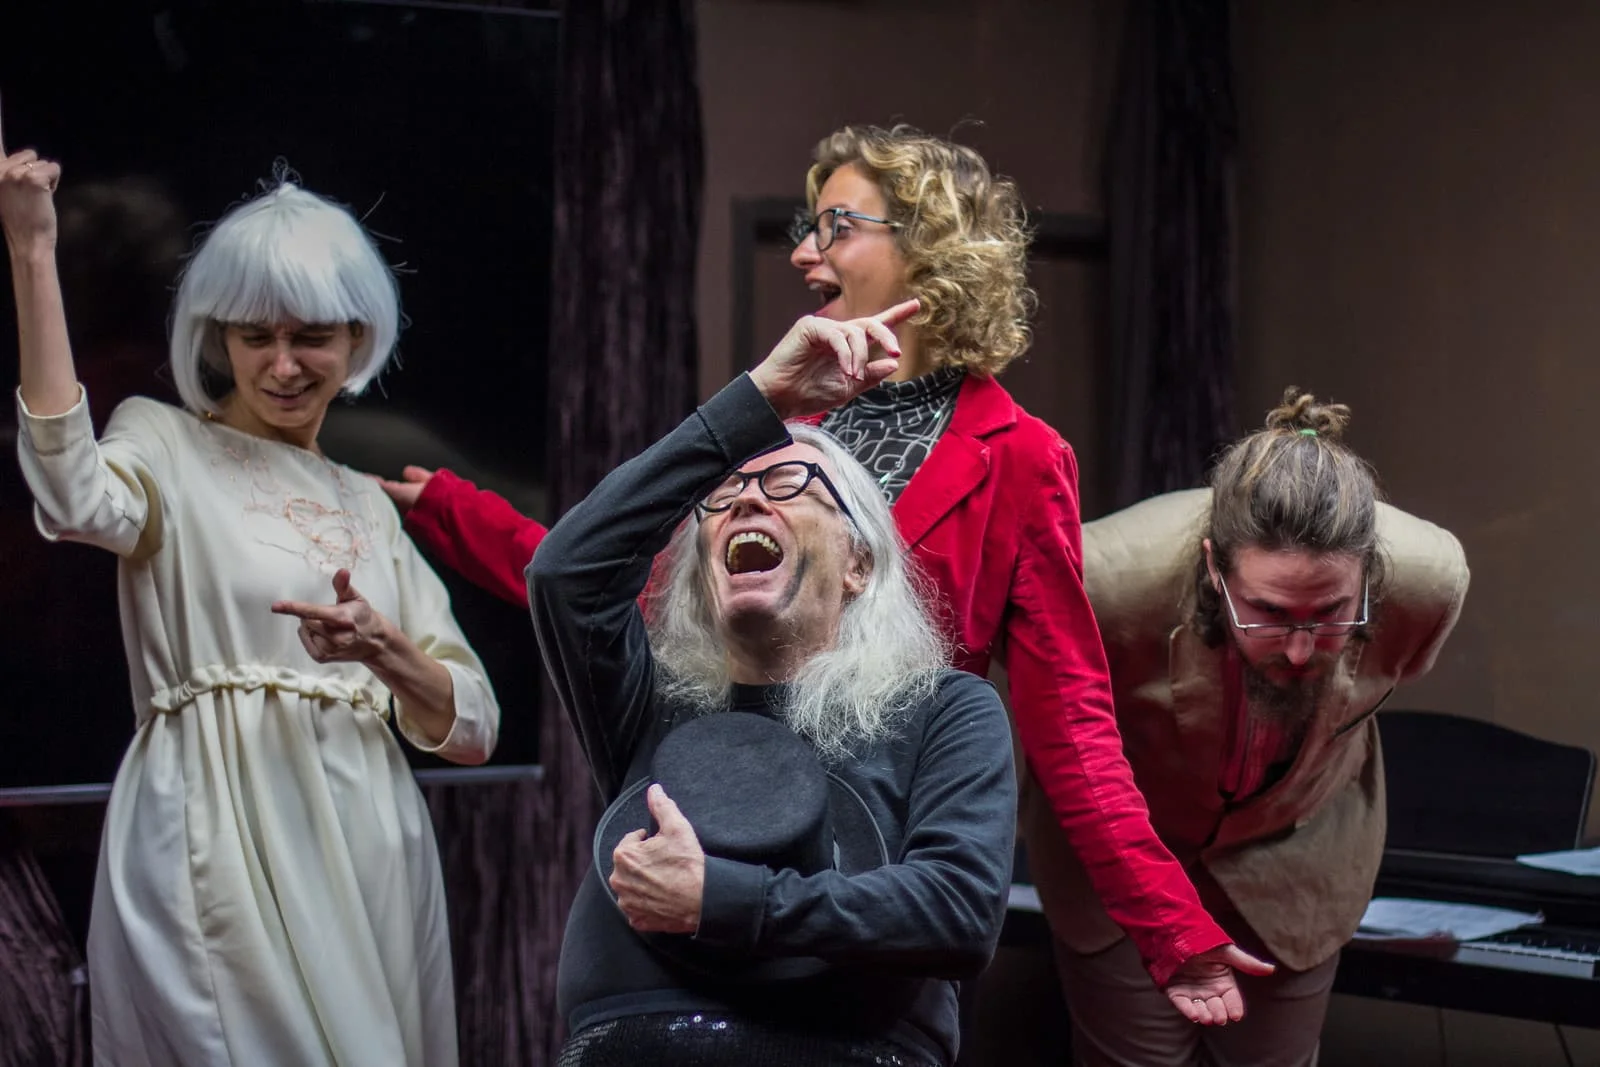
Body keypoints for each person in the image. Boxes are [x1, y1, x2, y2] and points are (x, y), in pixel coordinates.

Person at [380, 123, 1268, 1018]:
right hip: (718, 821)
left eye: (835, 224)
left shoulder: (1022, 459)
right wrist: (458, 513)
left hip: (872, 884)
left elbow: (1072, 727)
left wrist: (1170, 927)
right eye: (809, 227)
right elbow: (622, 592)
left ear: (928, 242)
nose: (804, 251)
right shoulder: (777, 423)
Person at [1, 136, 499, 1066]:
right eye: (253, 334)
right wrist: (34, 253)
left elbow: (472, 724)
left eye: (309, 333)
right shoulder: (162, 440)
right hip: (212, 819)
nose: (281, 363)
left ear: (355, 338)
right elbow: (70, 498)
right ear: (217, 337)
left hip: (370, 846)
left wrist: (387, 651)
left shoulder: (366, 500)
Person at [528, 298, 1017, 1067]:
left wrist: (722, 901)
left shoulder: (945, 709)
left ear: (858, 562)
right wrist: (759, 405)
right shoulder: (651, 702)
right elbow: (566, 573)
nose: (747, 498)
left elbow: (957, 909)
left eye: (791, 481)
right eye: (719, 495)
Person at [1032, 389, 1469, 1066]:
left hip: (1300, 859)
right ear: (1214, 566)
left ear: (1371, 576)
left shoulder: (1431, 583)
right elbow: (1061, 742)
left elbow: (1396, 669)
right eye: (1268, 611)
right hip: (1127, 859)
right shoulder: (1101, 581)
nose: (1299, 650)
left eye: (1327, 614)